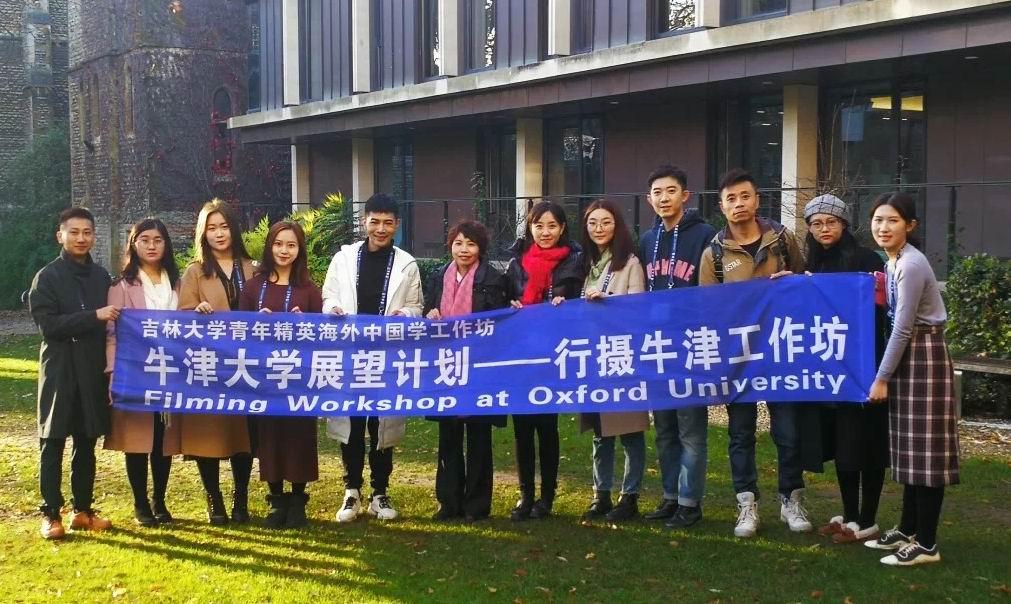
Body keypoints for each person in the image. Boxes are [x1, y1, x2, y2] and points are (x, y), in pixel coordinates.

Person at [699, 168, 814, 538]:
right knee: (741, 433)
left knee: (788, 431)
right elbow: (709, 309)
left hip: (780, 350)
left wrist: (794, 282)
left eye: (744, 196)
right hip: (739, 356)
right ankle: (746, 503)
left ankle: (791, 499)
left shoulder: (781, 239)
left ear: (757, 200)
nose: (739, 204)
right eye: (730, 199)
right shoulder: (714, 253)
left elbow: (806, 283)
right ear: (721, 206)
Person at [864, 193, 960, 566]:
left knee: (927, 453)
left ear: (910, 225)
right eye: (878, 220)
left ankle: (927, 544)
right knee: (909, 448)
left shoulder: (911, 264)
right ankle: (908, 529)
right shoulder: (893, 261)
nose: (883, 227)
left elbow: (903, 328)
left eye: (893, 220)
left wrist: (881, 378)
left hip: (924, 355)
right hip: (910, 354)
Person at [322, 193, 423, 522]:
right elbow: (328, 296)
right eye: (375, 221)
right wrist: (332, 308)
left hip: (386, 357)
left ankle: (380, 492)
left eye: (387, 223)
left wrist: (404, 314)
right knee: (351, 424)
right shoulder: (344, 259)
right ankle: (351, 491)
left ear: (397, 225)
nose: (381, 229)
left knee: (382, 426)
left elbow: (416, 306)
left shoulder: (406, 264)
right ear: (364, 221)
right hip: (350, 355)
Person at [801, 195, 889, 545]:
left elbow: (880, 310)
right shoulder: (811, 263)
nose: (824, 229)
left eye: (831, 222)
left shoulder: (867, 259)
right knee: (843, 446)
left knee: (868, 444)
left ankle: (868, 519)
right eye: (817, 223)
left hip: (865, 368)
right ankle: (850, 514)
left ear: (844, 224)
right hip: (830, 372)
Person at [29, 207, 117, 539]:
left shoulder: (101, 277)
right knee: (52, 441)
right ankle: (50, 513)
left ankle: (83, 511)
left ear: (94, 236)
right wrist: (94, 316)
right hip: (59, 369)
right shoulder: (47, 277)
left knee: (86, 440)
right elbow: (48, 327)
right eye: (74, 232)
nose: (81, 238)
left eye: (87, 232)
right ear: (60, 235)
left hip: (91, 369)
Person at [637, 165, 717, 529]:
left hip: (690, 345)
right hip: (657, 347)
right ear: (649, 199)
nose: (664, 198)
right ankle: (670, 496)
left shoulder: (705, 236)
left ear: (685, 195)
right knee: (665, 428)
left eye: (671, 191)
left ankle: (690, 501)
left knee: (690, 428)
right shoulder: (645, 240)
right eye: (657, 192)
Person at [424, 220, 510, 522]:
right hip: (446, 364)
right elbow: (427, 310)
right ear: (450, 245)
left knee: (478, 437)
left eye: (471, 244)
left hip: (479, 366)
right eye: (458, 243)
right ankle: (448, 502)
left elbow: (502, 321)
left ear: (480, 249)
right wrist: (430, 313)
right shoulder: (438, 276)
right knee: (448, 436)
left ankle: (476, 505)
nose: (464, 249)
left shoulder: (494, 279)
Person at [239, 221, 323, 529]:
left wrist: (306, 324)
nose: (284, 251)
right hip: (265, 377)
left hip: (299, 378)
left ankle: (298, 500)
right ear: (269, 247)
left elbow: (322, 337)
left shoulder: (309, 289)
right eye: (278, 244)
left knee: (300, 437)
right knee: (270, 436)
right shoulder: (253, 287)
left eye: (291, 245)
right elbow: (239, 331)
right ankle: (276, 500)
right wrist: (256, 323)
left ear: (299, 250)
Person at [178, 199, 256, 525]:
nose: (219, 233)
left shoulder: (251, 268)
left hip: (246, 364)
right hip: (208, 364)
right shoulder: (194, 272)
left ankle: (241, 497)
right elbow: (182, 316)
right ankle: (214, 498)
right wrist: (195, 312)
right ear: (203, 233)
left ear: (233, 229)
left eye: (224, 226)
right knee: (207, 432)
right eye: (212, 228)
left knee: (244, 434)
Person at [505, 200, 584, 520]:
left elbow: (583, 307)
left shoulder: (574, 262)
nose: (545, 232)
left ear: (562, 228)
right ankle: (525, 496)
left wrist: (569, 304)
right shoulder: (517, 263)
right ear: (530, 228)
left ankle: (547, 497)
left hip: (553, 356)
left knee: (547, 428)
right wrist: (510, 305)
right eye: (539, 226)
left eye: (552, 226)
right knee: (522, 429)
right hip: (522, 356)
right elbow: (502, 302)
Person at [104, 218, 183, 527]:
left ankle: (159, 501)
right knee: (137, 439)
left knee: (163, 438)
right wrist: (113, 371)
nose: (152, 246)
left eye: (158, 240)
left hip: (169, 370)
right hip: (134, 370)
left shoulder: (176, 282)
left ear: (166, 245)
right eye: (145, 240)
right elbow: (112, 334)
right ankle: (140, 503)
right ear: (133, 244)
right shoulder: (121, 286)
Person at [577, 200, 649, 523]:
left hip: (622, 356)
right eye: (593, 223)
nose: (599, 229)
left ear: (617, 225)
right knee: (600, 433)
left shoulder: (630, 262)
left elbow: (638, 309)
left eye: (606, 222)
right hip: (593, 358)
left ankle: (629, 496)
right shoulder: (586, 263)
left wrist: (609, 301)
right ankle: (601, 494)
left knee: (630, 431)